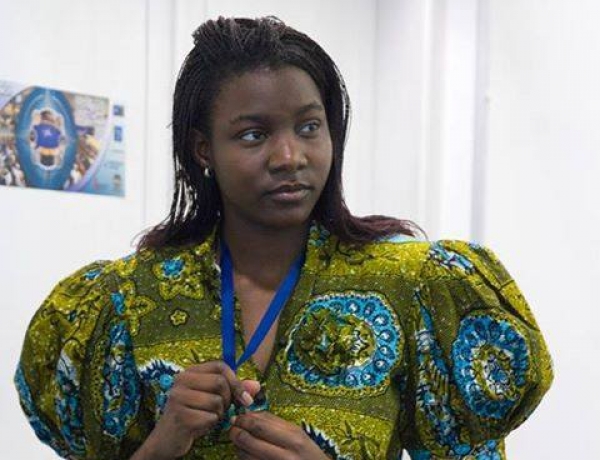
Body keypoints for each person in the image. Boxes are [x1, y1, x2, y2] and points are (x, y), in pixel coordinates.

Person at [14, 16, 553, 460]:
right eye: (254, 134)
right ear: (203, 149)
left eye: (309, 127)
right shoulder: (128, 299)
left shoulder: (412, 286)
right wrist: (163, 443)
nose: (290, 157)